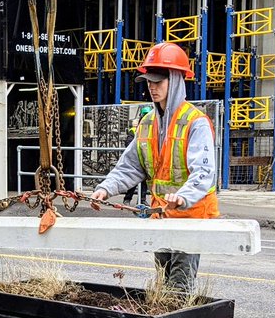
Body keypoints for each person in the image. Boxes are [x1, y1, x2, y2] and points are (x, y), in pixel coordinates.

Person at [90, 42, 219, 298]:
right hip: (161, 215)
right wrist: (106, 189)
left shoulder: (196, 122)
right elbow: (130, 165)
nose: (152, 86)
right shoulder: (148, 123)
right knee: (162, 280)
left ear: (176, 80)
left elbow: (204, 172)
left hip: (190, 216)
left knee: (178, 286)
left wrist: (183, 197)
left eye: (158, 81)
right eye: (149, 81)